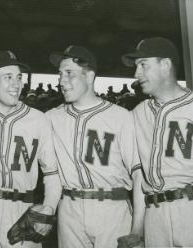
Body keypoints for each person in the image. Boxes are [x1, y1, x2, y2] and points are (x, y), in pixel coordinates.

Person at [122, 37, 193, 247]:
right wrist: (137, 230)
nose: (136, 73)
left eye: (143, 65)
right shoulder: (138, 114)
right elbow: (140, 175)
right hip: (155, 215)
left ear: (165, 64)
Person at [46, 45, 143, 247]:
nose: (61, 81)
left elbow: (138, 173)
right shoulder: (51, 117)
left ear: (89, 77)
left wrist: (137, 229)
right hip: (69, 209)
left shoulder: (121, 117)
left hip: (112, 207)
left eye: (69, 73)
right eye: (60, 74)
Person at [0, 50, 62, 248]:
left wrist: (48, 208)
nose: (16, 84)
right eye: (7, 77)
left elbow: (52, 172)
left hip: (22, 209)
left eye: (19, 77)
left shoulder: (38, 119)